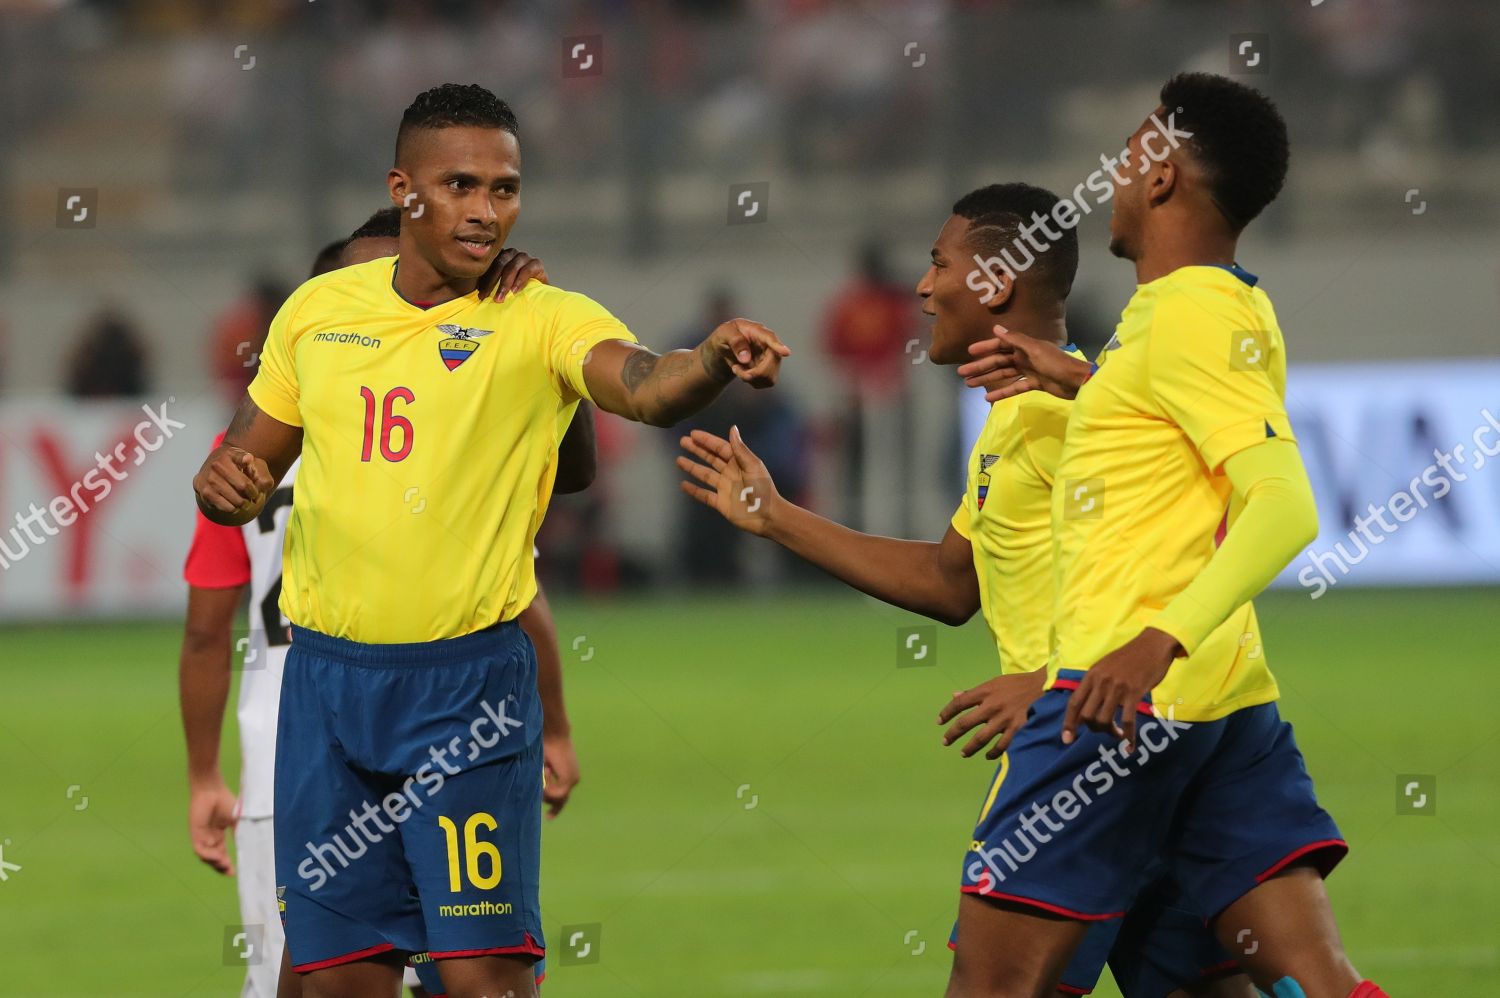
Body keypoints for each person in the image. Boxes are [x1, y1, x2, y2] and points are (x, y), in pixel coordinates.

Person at [190, 83, 788, 998]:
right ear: (404, 190)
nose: (486, 209)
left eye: (505, 188)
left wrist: (707, 361)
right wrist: (221, 483)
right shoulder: (317, 311)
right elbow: (246, 461)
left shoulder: (539, 313)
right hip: (324, 690)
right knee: (335, 982)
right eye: (461, 184)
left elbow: (645, 384)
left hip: (464, 693)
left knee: (482, 982)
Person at [677, 183, 1253, 997]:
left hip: (1081, 744)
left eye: (938, 263)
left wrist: (1064, 684)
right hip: (1141, 746)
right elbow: (952, 582)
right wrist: (775, 517)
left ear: (996, 285)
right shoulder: (1019, 417)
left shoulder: (1070, 417)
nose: (921, 286)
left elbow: (1198, 550)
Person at [948, 74, 1388, 998]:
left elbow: (1283, 504)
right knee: (1310, 986)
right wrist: (1075, 377)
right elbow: (1173, 430)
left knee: (993, 989)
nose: (1110, 177)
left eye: (1129, 153)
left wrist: (1157, 639)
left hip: (1114, 703)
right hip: (1229, 713)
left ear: (1158, 177)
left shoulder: (1187, 312)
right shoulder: (1220, 304)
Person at [180, 209, 575, 998]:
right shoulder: (436, 459)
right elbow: (527, 598)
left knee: (344, 968)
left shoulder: (253, 461)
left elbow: (204, 634)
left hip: (310, 748)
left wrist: (526, 327)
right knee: (357, 971)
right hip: (314, 736)